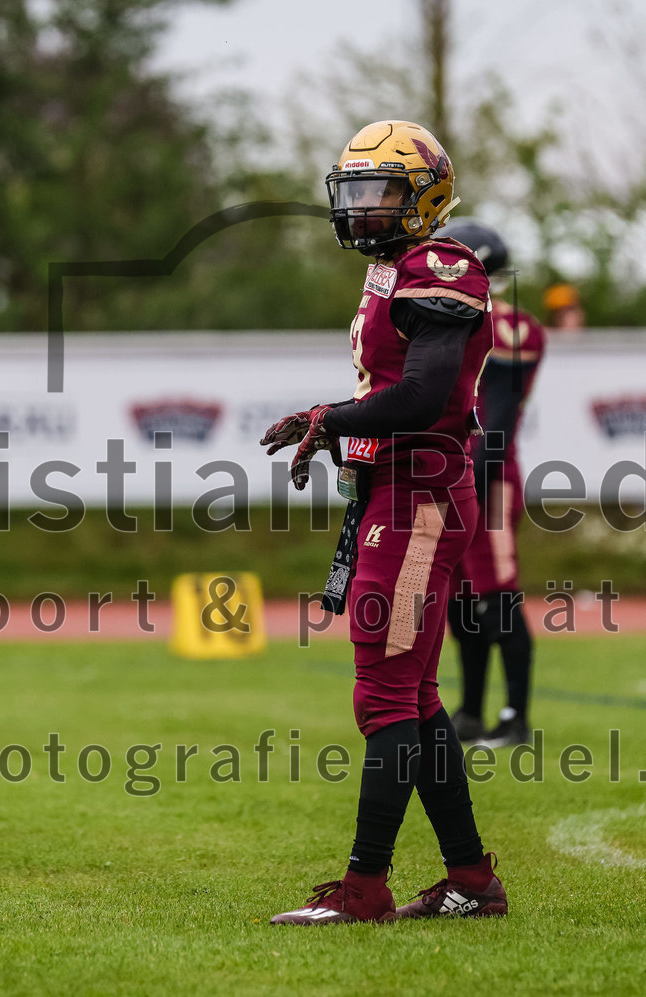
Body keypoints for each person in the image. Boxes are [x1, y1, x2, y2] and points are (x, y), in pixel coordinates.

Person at [260, 120, 506, 924]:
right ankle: (471, 880)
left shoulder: (441, 266)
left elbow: (427, 398)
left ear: (427, 195)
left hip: (420, 503)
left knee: (386, 694)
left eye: (382, 192)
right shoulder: (394, 268)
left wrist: (330, 417)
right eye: (356, 191)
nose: (364, 209)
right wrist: (345, 439)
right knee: (416, 696)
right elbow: (397, 400)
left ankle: (365, 889)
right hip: (401, 494)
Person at [440, 221, 546, 749]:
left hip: (488, 478)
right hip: (450, 476)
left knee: (498, 594)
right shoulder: (454, 320)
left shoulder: (512, 328)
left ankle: (515, 717)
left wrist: (471, 484)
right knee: (460, 599)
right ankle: (471, 710)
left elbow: (497, 422)